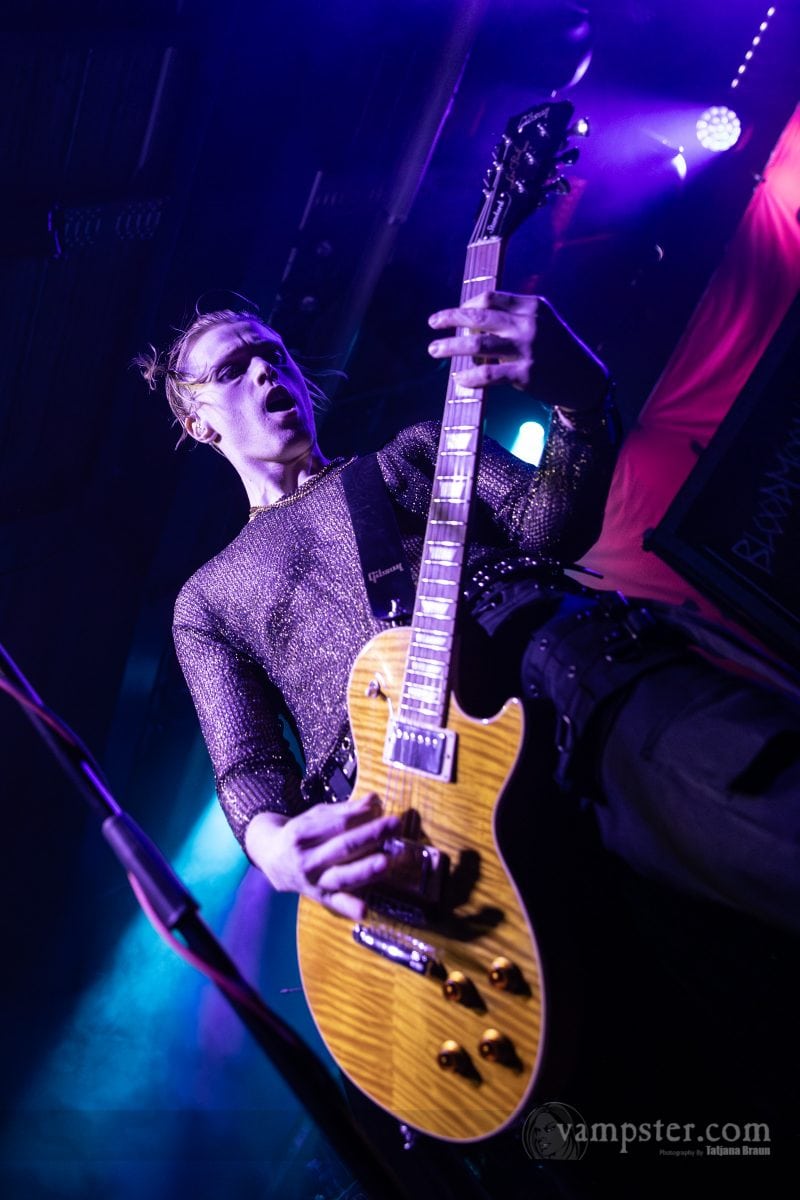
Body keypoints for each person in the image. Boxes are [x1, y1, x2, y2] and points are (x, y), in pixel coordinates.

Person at [138, 291, 800, 943]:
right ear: (199, 423)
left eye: (273, 354)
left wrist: (582, 402)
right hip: (426, 831)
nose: (265, 369)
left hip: (571, 689)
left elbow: (550, 530)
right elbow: (249, 765)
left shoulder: (413, 453)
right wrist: (275, 848)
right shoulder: (206, 599)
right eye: (233, 369)